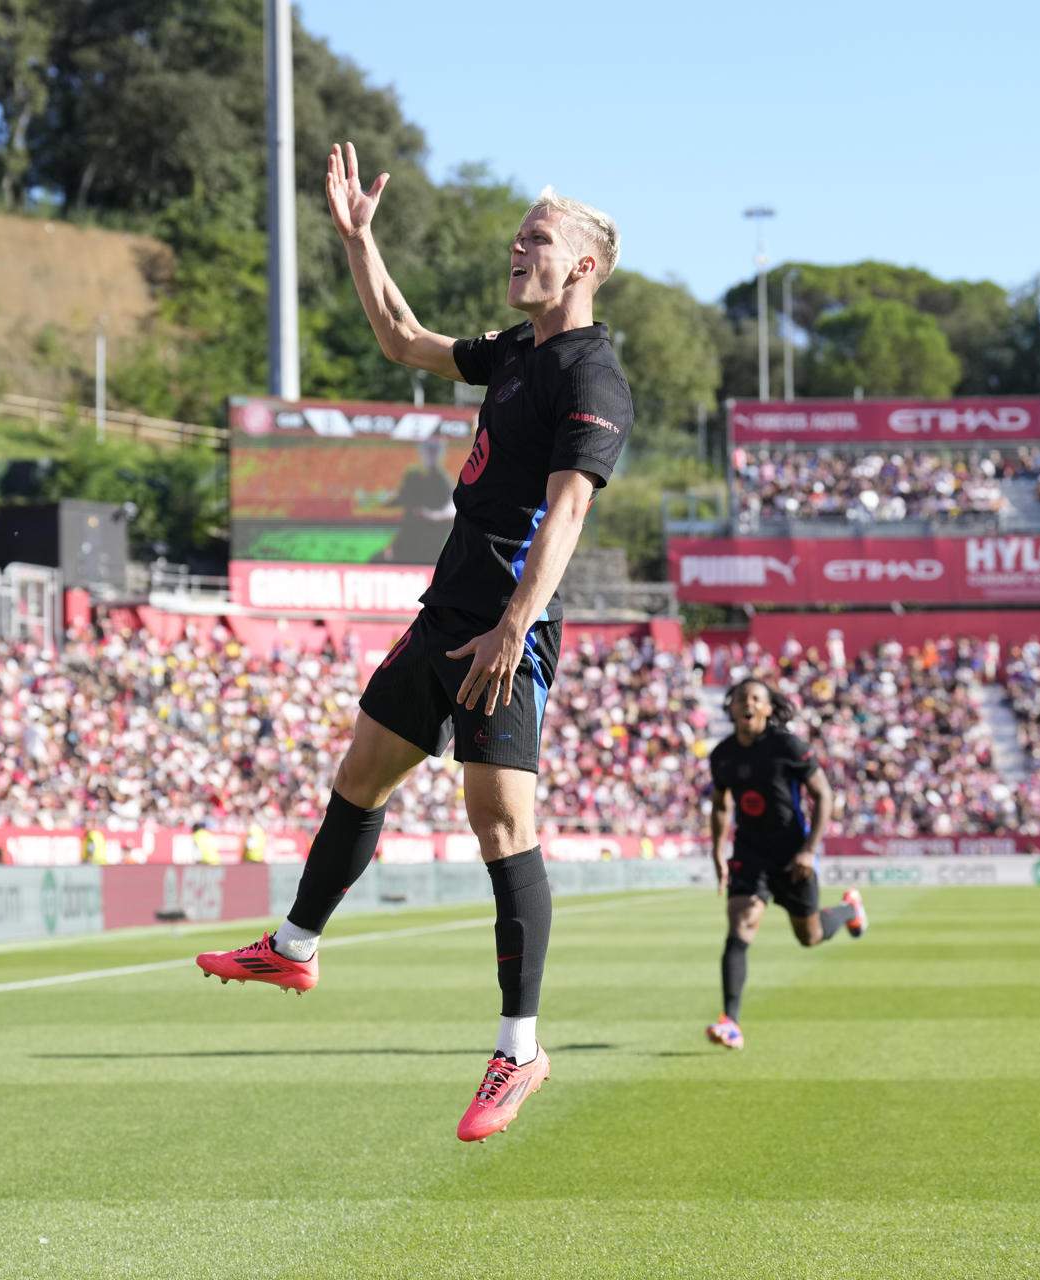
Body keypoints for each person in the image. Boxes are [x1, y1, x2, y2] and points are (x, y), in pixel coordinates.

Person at [196, 141, 633, 1143]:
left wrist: (511, 628)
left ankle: (520, 1049)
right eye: (521, 233)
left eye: (540, 239)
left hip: (504, 625)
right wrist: (359, 240)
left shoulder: (591, 374)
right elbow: (401, 337)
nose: (519, 248)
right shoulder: (519, 352)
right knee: (364, 769)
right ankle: (296, 941)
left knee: (500, 822)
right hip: (447, 609)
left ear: (585, 267)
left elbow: (565, 517)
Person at [704, 679, 867, 1050]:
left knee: (809, 936)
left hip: (793, 854)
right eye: (742, 697)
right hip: (750, 853)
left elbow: (823, 794)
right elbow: (719, 803)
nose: (748, 703)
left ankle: (849, 909)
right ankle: (730, 1021)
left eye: (756, 698)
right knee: (742, 922)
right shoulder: (723, 755)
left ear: (767, 708)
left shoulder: (787, 746)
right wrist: (717, 850)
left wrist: (810, 849)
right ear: (732, 707)